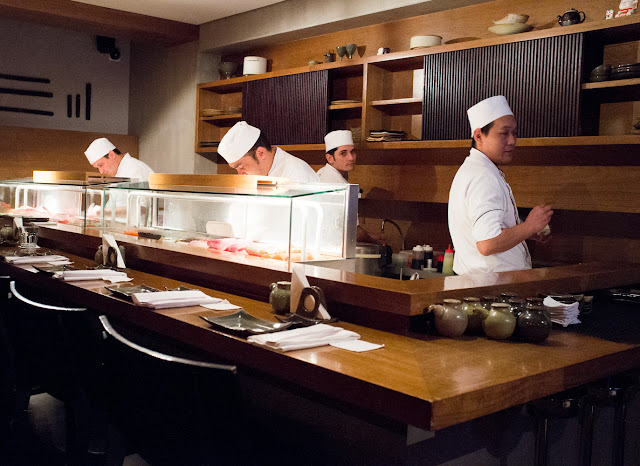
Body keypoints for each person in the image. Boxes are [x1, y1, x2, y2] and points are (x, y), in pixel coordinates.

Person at [448, 95, 553, 275]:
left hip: (482, 287)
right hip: (491, 293)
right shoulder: (484, 177)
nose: (512, 141)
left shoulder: (475, 170)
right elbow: (488, 243)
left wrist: (526, 231)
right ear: (479, 135)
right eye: (504, 133)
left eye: (515, 133)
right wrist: (529, 225)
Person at [319, 129, 383, 244]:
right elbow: (353, 231)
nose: (351, 158)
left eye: (352, 152)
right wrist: (373, 240)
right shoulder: (337, 184)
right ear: (330, 158)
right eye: (343, 153)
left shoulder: (323, 173)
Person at [217, 122, 319, 183]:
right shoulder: (255, 177)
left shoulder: (297, 173)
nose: (240, 175)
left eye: (241, 167)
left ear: (261, 153)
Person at [84, 137, 154, 182]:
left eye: (101, 165)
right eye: (97, 168)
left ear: (111, 154)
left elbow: (141, 204)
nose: (101, 171)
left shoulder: (134, 169)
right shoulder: (117, 174)